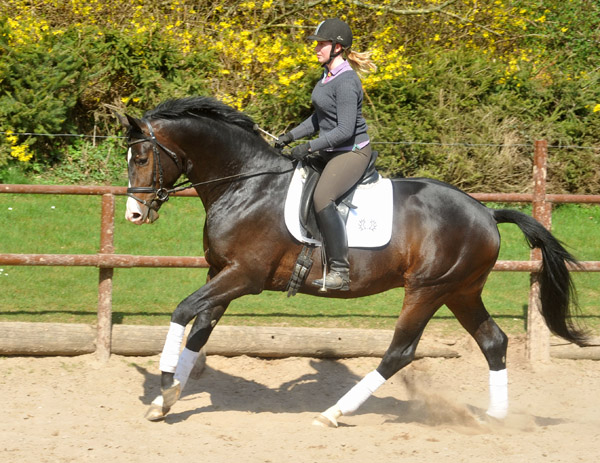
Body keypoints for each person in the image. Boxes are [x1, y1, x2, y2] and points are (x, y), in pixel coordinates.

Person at [276, 18, 377, 291]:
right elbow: (319, 118)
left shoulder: (346, 81)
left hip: (351, 152)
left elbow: (344, 130)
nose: (316, 48)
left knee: (323, 198)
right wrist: (290, 136)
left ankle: (340, 272)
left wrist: (308, 147)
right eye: (317, 43)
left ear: (338, 47)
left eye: (322, 43)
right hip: (333, 149)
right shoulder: (328, 76)